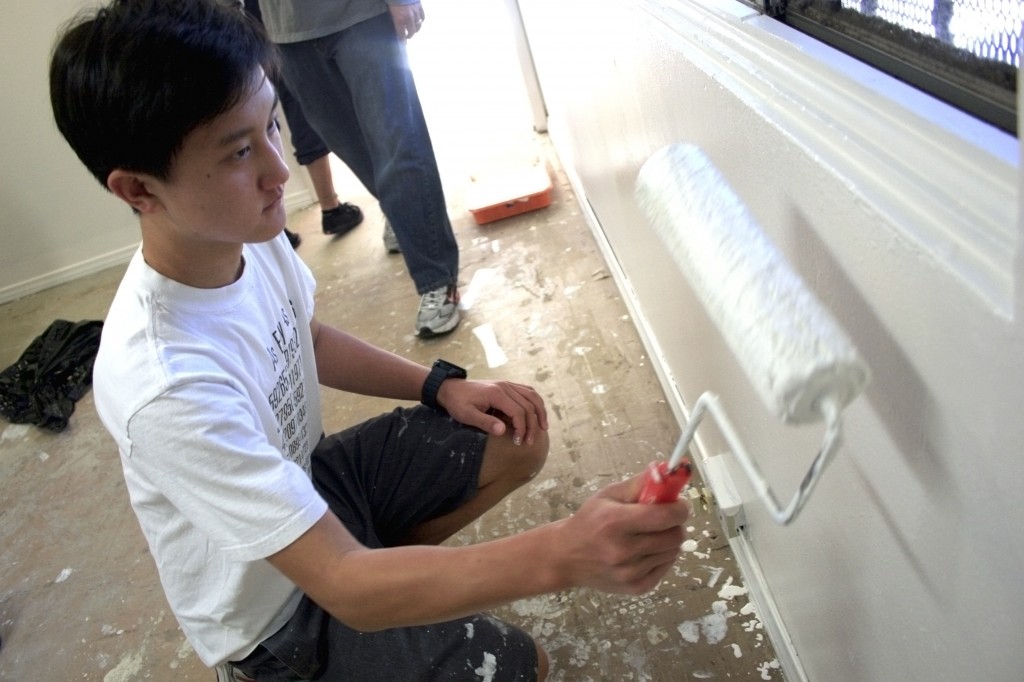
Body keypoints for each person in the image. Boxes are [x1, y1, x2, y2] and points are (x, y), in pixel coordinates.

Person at [48, 2, 690, 680]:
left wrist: (441, 385)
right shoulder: (165, 383)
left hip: (314, 484)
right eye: (239, 151)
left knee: (512, 430)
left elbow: (309, 337)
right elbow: (346, 584)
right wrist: (562, 554)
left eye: (271, 123)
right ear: (138, 190)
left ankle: (389, 584)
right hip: (272, 618)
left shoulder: (242, 233)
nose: (278, 171)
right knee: (517, 667)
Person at [256, 0, 464, 338]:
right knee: (345, 142)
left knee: (398, 143)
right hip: (287, 32)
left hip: (362, 15)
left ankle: (437, 278)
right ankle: (404, 215)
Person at [241, 0, 364, 249]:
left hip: (233, 24)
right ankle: (329, 207)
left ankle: (271, 227)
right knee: (295, 109)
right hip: (269, 19)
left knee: (250, 122)